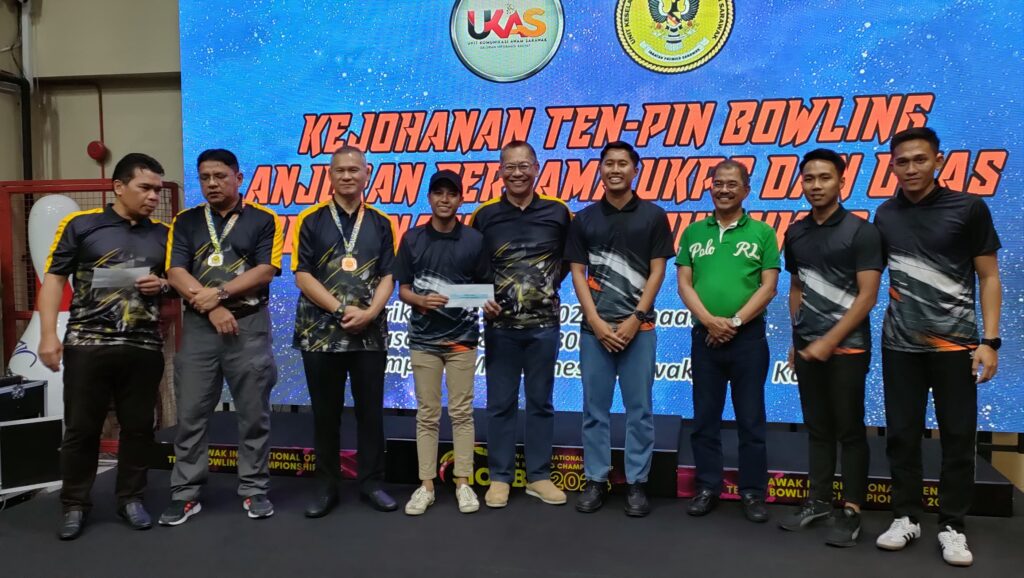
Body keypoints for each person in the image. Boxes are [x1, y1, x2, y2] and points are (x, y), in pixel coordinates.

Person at [873, 127, 1001, 567]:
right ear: (892, 166)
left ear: (938, 161)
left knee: (959, 437)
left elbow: (989, 277)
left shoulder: (968, 208)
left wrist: (990, 341)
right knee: (902, 435)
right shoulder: (885, 214)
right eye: (902, 161)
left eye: (920, 159)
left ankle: (952, 525)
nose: (911, 168)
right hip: (899, 345)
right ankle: (906, 516)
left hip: (957, 346)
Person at [40, 153, 172, 540]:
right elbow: (53, 280)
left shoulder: (165, 234)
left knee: (139, 429)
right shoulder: (81, 225)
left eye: (157, 190)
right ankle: (74, 504)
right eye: (145, 188)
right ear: (118, 187)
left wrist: (163, 284)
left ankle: (131, 498)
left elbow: (180, 281)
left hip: (144, 346)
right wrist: (48, 334)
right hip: (87, 343)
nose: (153, 197)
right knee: (82, 430)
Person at [160, 148, 283, 525]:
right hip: (200, 329)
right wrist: (212, 307)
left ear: (238, 178)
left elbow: (265, 270)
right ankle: (185, 493)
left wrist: (221, 294)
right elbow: (175, 272)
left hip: (248, 326)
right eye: (205, 178)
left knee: (253, 414)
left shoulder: (264, 219)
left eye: (220, 176)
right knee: (191, 413)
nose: (212, 184)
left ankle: (254, 489)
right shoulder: (185, 221)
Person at [777, 149, 882, 547]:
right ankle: (818, 500)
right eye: (809, 178)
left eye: (825, 178)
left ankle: (851, 510)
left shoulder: (862, 231)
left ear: (841, 182)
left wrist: (829, 342)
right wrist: (798, 339)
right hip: (809, 350)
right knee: (818, 428)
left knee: (850, 430)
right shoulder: (796, 232)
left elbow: (867, 297)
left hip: (848, 350)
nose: (816, 185)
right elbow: (797, 288)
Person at [566, 141, 674, 517]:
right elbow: (577, 273)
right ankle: (596, 479)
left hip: (638, 330)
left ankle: (637, 482)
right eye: (609, 163)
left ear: (635, 170)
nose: (615, 169)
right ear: (600, 169)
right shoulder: (584, 219)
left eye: (622, 163)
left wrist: (636, 318)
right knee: (594, 410)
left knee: (639, 410)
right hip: (593, 332)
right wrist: (595, 321)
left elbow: (658, 270)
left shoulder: (654, 216)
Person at [292, 145, 398, 517]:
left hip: (369, 333)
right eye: (341, 170)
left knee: (371, 413)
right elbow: (303, 275)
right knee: (326, 415)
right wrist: (339, 309)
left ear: (367, 174)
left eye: (355, 169)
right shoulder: (310, 219)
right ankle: (326, 487)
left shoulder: (382, 222)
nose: (348, 176)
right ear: (330, 175)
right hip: (321, 333)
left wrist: (370, 313)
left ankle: (372, 484)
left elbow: (389, 275)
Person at [675, 159, 780, 522]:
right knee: (705, 418)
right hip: (704, 337)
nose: (724, 190)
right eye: (718, 183)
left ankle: (752, 492)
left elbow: (768, 287)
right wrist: (709, 322)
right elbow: (684, 284)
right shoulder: (693, 232)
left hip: (748, 338)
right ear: (710, 187)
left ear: (746, 190)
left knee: (751, 419)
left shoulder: (763, 233)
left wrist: (733, 322)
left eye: (732, 184)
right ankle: (707, 487)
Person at [469, 140, 572, 508]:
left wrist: (541, 290)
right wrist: (481, 298)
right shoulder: (484, 215)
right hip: (501, 329)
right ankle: (500, 477)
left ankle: (539, 477)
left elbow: (569, 262)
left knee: (541, 402)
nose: (517, 173)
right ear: (500, 171)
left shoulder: (558, 212)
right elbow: (470, 266)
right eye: (510, 166)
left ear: (536, 168)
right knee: (500, 404)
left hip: (545, 326)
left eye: (524, 165)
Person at [395, 169, 497, 516]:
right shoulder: (412, 239)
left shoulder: (474, 240)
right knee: (427, 414)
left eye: (451, 194)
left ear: (460, 199)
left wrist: (482, 300)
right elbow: (403, 289)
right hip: (423, 340)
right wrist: (419, 300)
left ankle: (462, 482)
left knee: (461, 413)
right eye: (438, 193)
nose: (444, 199)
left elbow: (484, 287)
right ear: (429, 198)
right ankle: (425, 486)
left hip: (462, 340)